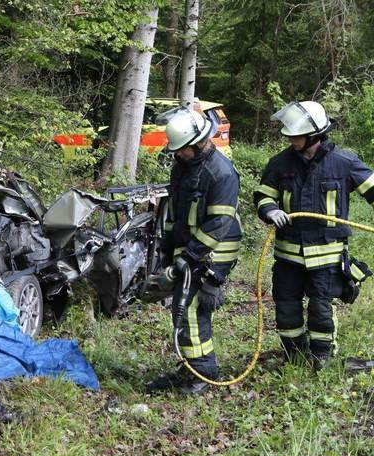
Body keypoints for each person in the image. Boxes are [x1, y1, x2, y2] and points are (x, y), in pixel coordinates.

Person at [254, 101, 374, 370]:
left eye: (296, 134)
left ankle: (321, 357)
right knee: (286, 307)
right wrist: (270, 210)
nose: (291, 139)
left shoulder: (344, 163)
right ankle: (293, 355)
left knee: (321, 308)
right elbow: (263, 196)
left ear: (315, 135)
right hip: (288, 256)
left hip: (327, 257)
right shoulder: (279, 164)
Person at [146, 107, 243, 395]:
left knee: (190, 310)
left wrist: (195, 261)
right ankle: (191, 366)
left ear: (199, 143)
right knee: (183, 310)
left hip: (213, 252)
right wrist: (168, 250)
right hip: (189, 249)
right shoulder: (182, 167)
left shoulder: (221, 173)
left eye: (183, 150)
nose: (177, 154)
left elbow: (220, 224)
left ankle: (203, 372)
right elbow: (176, 211)